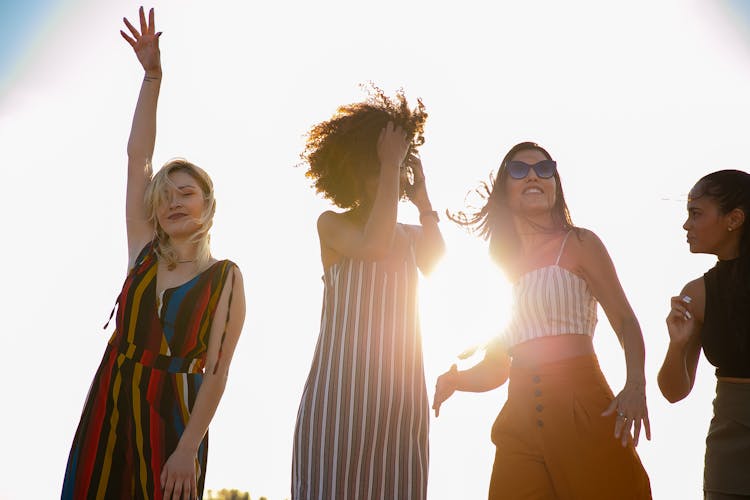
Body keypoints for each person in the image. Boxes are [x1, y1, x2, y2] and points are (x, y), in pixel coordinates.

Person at [61, 7, 245, 500]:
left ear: (207, 203)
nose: (172, 202)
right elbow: (137, 158)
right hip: (111, 400)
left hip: (175, 417)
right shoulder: (143, 249)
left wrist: (188, 448)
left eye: (185, 193)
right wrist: (152, 77)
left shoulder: (225, 277)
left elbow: (218, 372)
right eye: (165, 196)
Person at [433, 141, 652, 499]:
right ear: (505, 188)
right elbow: (497, 367)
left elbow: (625, 321)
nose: (533, 175)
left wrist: (635, 385)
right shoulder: (501, 268)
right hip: (518, 418)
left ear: (555, 181)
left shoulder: (580, 243)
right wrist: (457, 380)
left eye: (544, 168)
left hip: (581, 404)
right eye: (519, 170)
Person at [291, 87, 445, 500]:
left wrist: (423, 196)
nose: (392, 177)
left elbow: (438, 260)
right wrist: (391, 161)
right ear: (357, 171)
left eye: (398, 167)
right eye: (379, 166)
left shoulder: (411, 236)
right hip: (338, 401)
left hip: (400, 404)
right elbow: (374, 245)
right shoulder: (332, 226)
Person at [658, 170, 750, 499]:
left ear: (734, 219)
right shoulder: (696, 295)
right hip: (729, 445)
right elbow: (674, 391)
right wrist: (676, 344)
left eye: (695, 214)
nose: (686, 225)